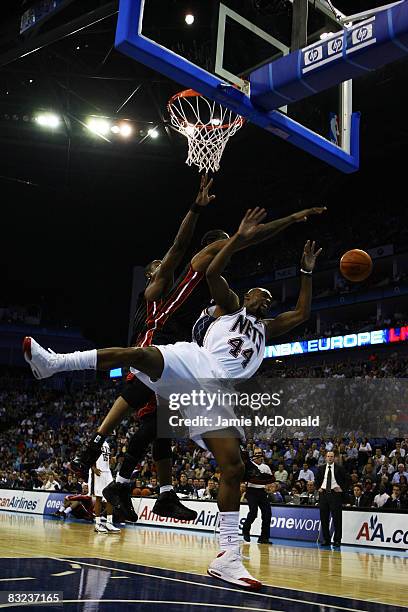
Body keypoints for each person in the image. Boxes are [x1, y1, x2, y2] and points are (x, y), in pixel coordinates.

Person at [24, 208, 321, 589]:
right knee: (138, 354)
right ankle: (53, 364)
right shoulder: (229, 307)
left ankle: (228, 558)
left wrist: (307, 272)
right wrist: (240, 237)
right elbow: (212, 272)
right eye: (257, 291)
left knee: (232, 469)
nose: (262, 295)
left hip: (215, 393)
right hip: (194, 361)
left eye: (266, 295)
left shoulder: (268, 329)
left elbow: (303, 311)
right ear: (246, 296)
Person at [315, 451, 348, 547]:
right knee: (324, 518)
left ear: (334, 458)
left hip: (335, 494)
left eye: (331, 456)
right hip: (324, 494)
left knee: (337, 519)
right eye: (328, 456)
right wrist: (319, 488)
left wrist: (341, 489)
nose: (330, 458)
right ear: (325, 458)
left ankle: (337, 540)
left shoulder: (340, 468)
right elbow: (317, 480)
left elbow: (347, 480)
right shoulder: (321, 468)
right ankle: (326, 539)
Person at [242, 448, 273, 544]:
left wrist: (269, 486)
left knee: (267, 514)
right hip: (251, 491)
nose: (258, 455)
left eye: (260, 453)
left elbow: (270, 480)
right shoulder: (249, 465)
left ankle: (264, 537)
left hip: (262, 492)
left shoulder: (266, 467)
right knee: (253, 512)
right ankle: (246, 530)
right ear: (253, 455)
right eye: (256, 453)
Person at [89, 440, 120, 534]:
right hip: (98, 471)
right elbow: (89, 456)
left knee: (110, 497)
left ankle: (109, 523)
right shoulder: (95, 440)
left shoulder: (107, 443)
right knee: (99, 497)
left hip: (107, 472)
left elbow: (106, 459)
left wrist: (112, 461)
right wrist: (93, 468)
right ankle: (97, 524)